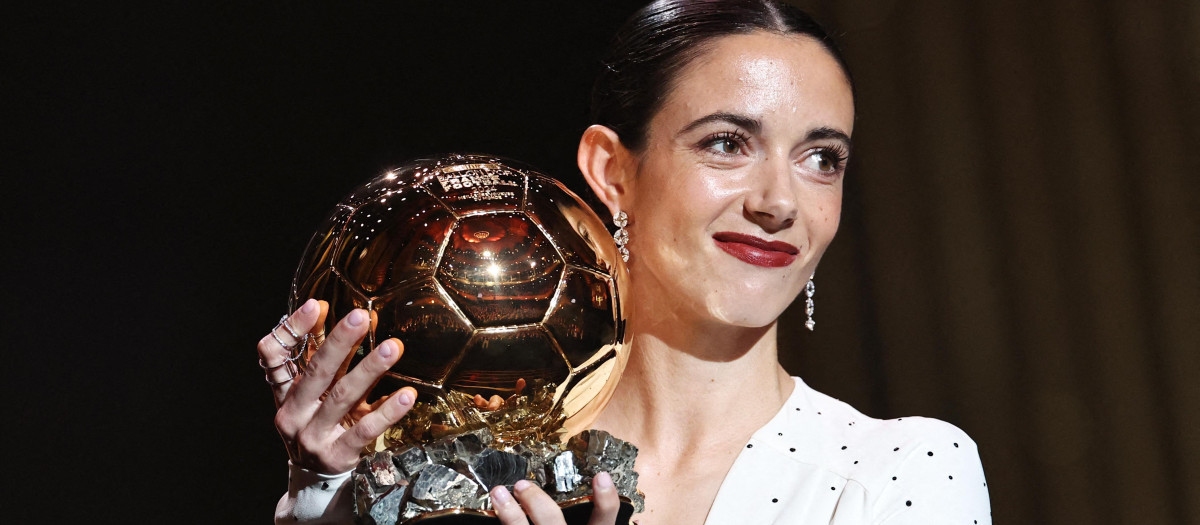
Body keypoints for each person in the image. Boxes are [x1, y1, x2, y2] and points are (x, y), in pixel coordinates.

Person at [258, 1, 992, 523]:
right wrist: (326, 495)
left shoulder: (896, 472)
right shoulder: (469, 467)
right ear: (612, 171)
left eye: (821, 158)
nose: (779, 201)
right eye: (727, 143)